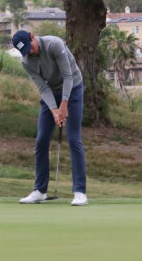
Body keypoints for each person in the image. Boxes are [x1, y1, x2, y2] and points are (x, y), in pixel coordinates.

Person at [12, 30, 88, 206]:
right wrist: (54, 110)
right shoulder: (26, 61)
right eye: (25, 52)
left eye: (30, 48)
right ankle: (40, 190)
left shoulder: (54, 44)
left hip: (73, 88)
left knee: (73, 138)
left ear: (32, 37)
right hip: (51, 93)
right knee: (41, 140)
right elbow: (43, 89)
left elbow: (68, 76)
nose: (30, 53)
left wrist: (64, 105)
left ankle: (80, 192)